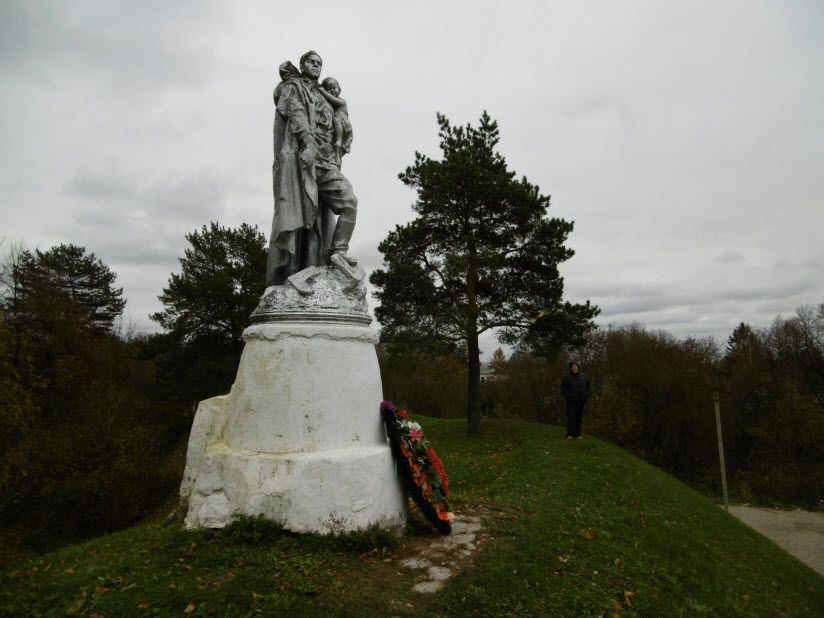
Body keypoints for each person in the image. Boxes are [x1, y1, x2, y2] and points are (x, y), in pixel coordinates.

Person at [266, 50, 359, 287]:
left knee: (349, 201)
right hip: (303, 163)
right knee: (304, 221)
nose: (316, 66)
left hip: (327, 163)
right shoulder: (293, 87)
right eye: (312, 62)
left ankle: (338, 253)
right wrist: (308, 143)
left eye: (320, 63)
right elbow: (295, 113)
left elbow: (342, 124)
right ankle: (294, 275)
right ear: (303, 64)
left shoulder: (326, 95)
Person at [318, 77, 353, 167]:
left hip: (343, 123)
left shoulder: (342, 101)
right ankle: (337, 158)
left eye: (334, 88)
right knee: (336, 143)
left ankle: (337, 155)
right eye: (329, 89)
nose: (333, 90)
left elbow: (333, 100)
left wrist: (323, 91)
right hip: (339, 123)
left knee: (338, 141)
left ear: (339, 89)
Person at [560, 360, 589, 440]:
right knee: (571, 417)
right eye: (573, 366)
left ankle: (577, 434)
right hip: (571, 401)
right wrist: (568, 396)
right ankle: (569, 434)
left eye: (576, 366)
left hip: (581, 401)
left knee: (579, 418)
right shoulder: (567, 377)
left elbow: (588, 386)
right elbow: (562, 388)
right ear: (570, 368)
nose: (575, 368)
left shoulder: (583, 376)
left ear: (578, 367)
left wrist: (585, 396)